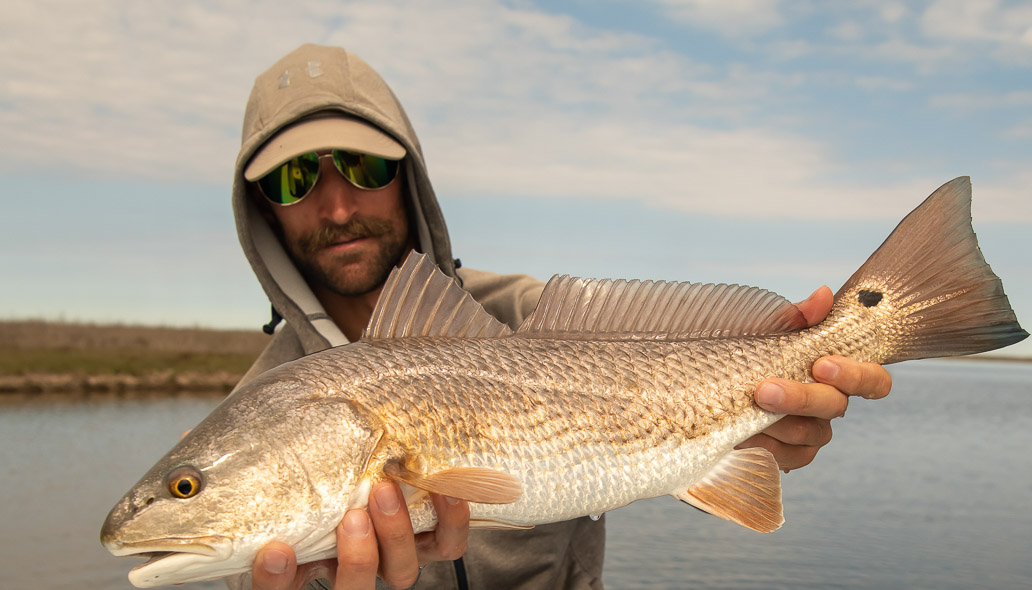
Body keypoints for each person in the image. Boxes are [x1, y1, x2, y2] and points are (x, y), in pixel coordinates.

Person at [228, 44, 892, 590]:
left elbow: (676, 428)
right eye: (293, 182)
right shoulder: (251, 414)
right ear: (263, 211)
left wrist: (769, 425)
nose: (338, 206)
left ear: (410, 176)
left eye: (364, 165)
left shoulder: (532, 316)